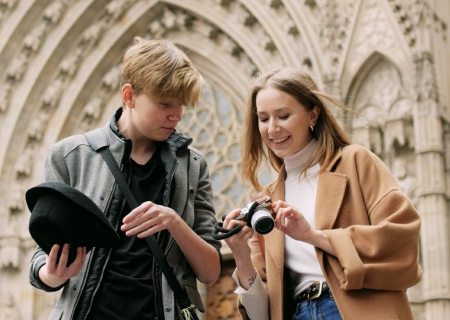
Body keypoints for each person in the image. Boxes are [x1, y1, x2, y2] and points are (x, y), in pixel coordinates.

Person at [29, 37, 222, 320]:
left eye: (181, 105)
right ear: (129, 95)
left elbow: (211, 272)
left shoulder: (193, 166)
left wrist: (173, 221)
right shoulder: (69, 156)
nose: (176, 116)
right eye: (165, 103)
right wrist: (52, 274)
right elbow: (41, 258)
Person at [222, 66, 422, 320]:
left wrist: (314, 236)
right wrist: (240, 255)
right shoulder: (265, 204)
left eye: (283, 116)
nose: (272, 129)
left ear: (312, 115)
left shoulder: (355, 161)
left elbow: (402, 239)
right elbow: (263, 314)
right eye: (263, 119)